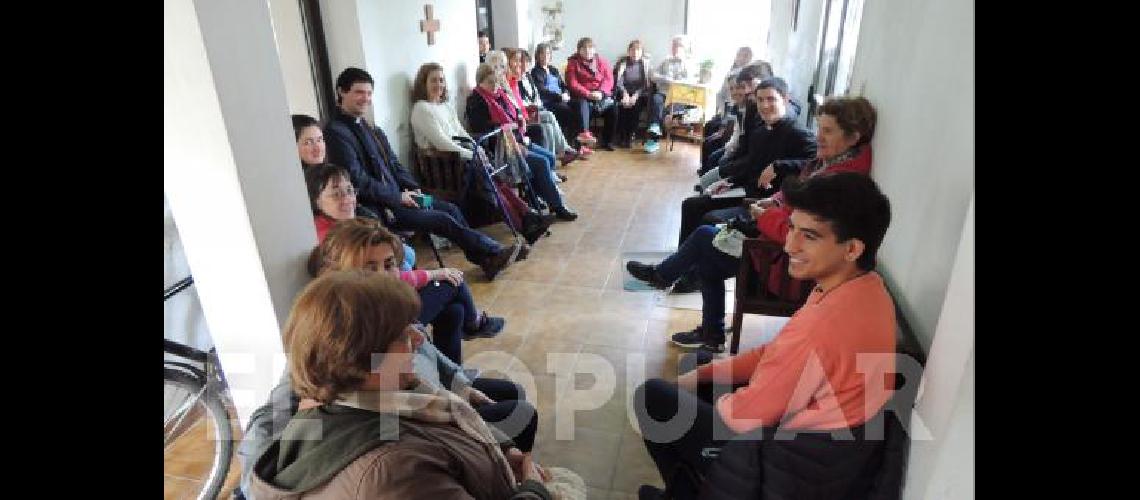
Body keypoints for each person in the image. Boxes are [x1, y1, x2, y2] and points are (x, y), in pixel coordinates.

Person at [634, 173, 895, 499]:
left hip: (794, 460)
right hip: (829, 445)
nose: (789, 245)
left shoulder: (825, 324)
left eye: (809, 236)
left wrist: (711, 395)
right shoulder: (864, 286)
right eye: (791, 229)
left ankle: (691, 490)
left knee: (654, 399)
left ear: (852, 248)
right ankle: (686, 488)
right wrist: (703, 375)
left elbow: (745, 415)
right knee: (697, 369)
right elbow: (774, 353)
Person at [246, 270, 555, 499]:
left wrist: (498, 452)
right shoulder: (390, 472)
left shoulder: (385, 393)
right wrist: (534, 489)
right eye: (400, 335)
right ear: (356, 357)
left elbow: (445, 432)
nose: (418, 338)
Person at [628, 96, 877, 351]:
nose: (819, 137)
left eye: (828, 131)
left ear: (853, 136)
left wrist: (764, 215)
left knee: (705, 238)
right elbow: (792, 198)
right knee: (707, 253)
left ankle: (670, 283)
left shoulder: (842, 185)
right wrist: (773, 201)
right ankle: (704, 326)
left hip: (787, 267)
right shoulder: (828, 165)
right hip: (774, 251)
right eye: (819, 128)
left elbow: (801, 235)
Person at [324, 67, 521, 279]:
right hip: (385, 208)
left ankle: (486, 258)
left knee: (450, 209)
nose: (365, 98)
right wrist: (398, 197)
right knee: (442, 220)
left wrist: (413, 188)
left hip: (406, 197)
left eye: (369, 93)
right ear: (341, 92)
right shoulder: (336, 132)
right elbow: (358, 181)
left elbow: (394, 164)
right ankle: (491, 252)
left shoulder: (370, 127)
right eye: (358, 93)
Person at [305, 165, 506, 345]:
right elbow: (386, 281)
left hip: (385, 307)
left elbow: (389, 275)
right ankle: (474, 324)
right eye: (336, 194)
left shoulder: (348, 225)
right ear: (316, 201)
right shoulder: (335, 241)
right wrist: (433, 275)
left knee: (453, 312)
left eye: (349, 191)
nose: (347, 198)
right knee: (453, 281)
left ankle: (452, 374)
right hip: (379, 323)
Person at [292, 113, 417, 271]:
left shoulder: (330, 169)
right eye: (308, 142)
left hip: (359, 230)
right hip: (351, 246)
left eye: (320, 140)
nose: (317, 147)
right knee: (403, 263)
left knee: (407, 254)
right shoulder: (298, 186)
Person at [466, 62, 579, 221]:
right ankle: (557, 205)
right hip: (501, 148)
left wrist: (519, 118)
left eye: (496, 81)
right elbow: (482, 127)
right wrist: (507, 128)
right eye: (490, 82)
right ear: (480, 82)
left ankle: (536, 198)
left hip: (517, 140)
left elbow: (514, 112)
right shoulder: (476, 100)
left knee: (550, 157)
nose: (494, 86)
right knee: (541, 163)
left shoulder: (500, 95)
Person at [509, 48, 581, 166]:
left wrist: (565, 94)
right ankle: (564, 150)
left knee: (548, 127)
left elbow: (536, 95)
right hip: (527, 113)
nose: (524, 65)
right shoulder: (518, 79)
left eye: (527, 62)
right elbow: (521, 101)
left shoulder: (529, 76)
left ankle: (552, 163)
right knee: (551, 115)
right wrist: (535, 106)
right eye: (521, 62)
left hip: (536, 109)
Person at [530, 42, 586, 155]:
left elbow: (563, 85)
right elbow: (542, 91)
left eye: (548, 53)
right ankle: (572, 145)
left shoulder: (553, 70)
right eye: (542, 53)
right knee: (569, 112)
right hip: (550, 102)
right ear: (537, 55)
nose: (546, 56)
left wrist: (565, 93)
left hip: (562, 98)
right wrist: (559, 96)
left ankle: (582, 138)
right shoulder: (535, 72)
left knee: (580, 104)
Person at [564, 37, 618, 151]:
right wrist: (588, 93)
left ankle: (607, 141)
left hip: (600, 97)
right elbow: (572, 83)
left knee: (614, 108)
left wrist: (601, 93)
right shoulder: (573, 63)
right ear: (579, 50)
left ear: (594, 50)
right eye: (584, 48)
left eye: (590, 48)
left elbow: (609, 79)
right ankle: (583, 142)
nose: (587, 51)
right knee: (582, 106)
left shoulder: (602, 62)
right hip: (583, 97)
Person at [612, 39, 664, 151]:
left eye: (638, 50)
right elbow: (618, 81)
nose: (635, 53)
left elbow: (646, 85)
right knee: (622, 106)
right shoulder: (622, 63)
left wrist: (635, 95)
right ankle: (621, 135)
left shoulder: (645, 64)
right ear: (628, 51)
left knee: (635, 107)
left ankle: (630, 135)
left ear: (642, 52)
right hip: (624, 92)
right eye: (632, 50)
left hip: (640, 94)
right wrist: (625, 94)